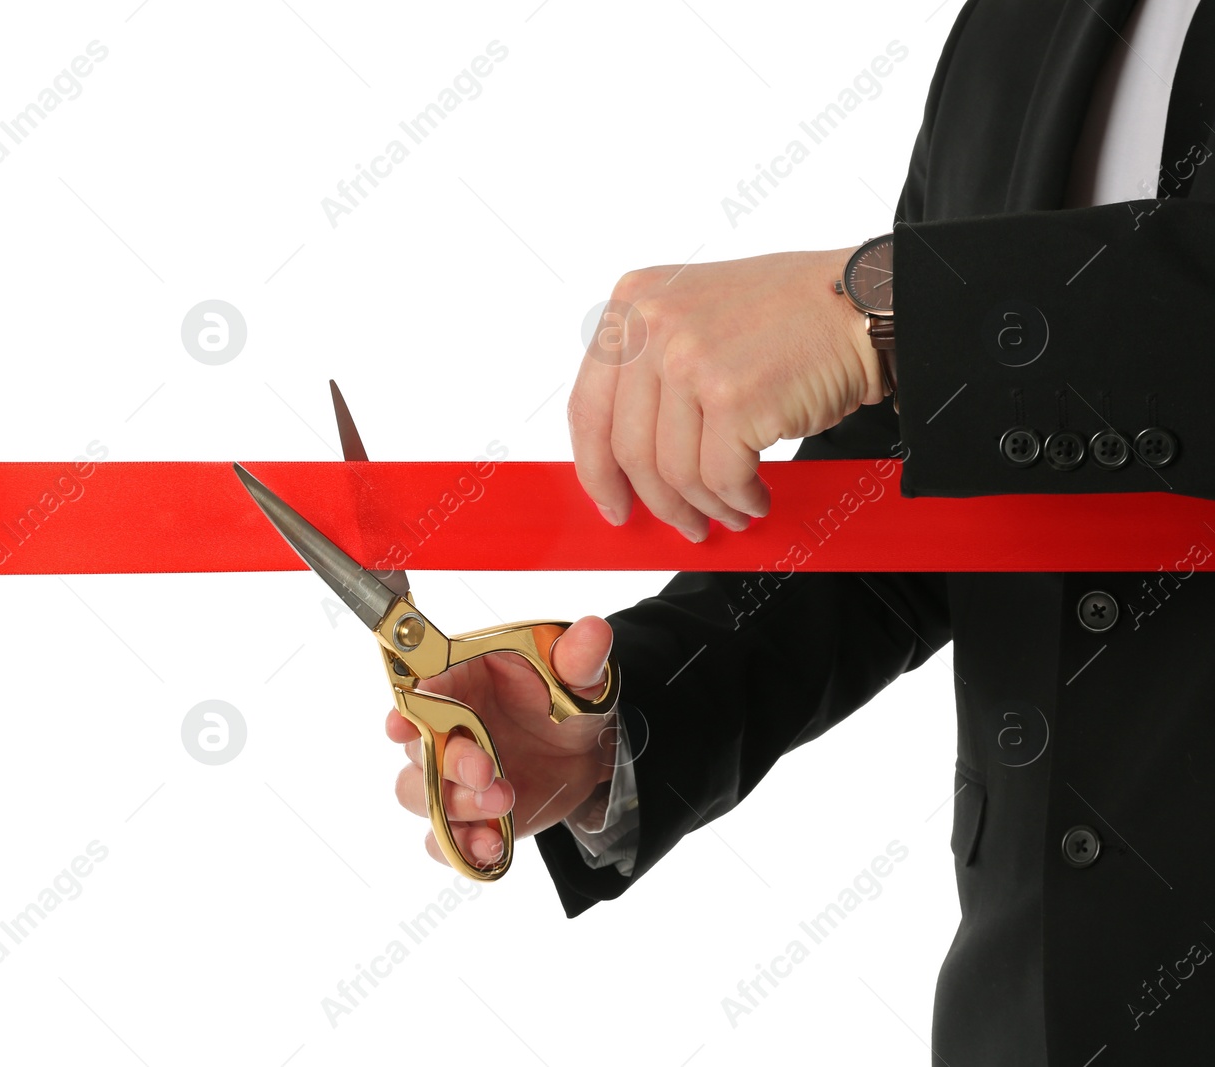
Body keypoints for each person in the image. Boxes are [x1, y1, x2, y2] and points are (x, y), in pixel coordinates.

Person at [385, 0, 1215, 1061]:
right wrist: (621, 725)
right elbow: (938, 483)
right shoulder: (1016, 24)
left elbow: (930, 338)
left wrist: (891, 310)